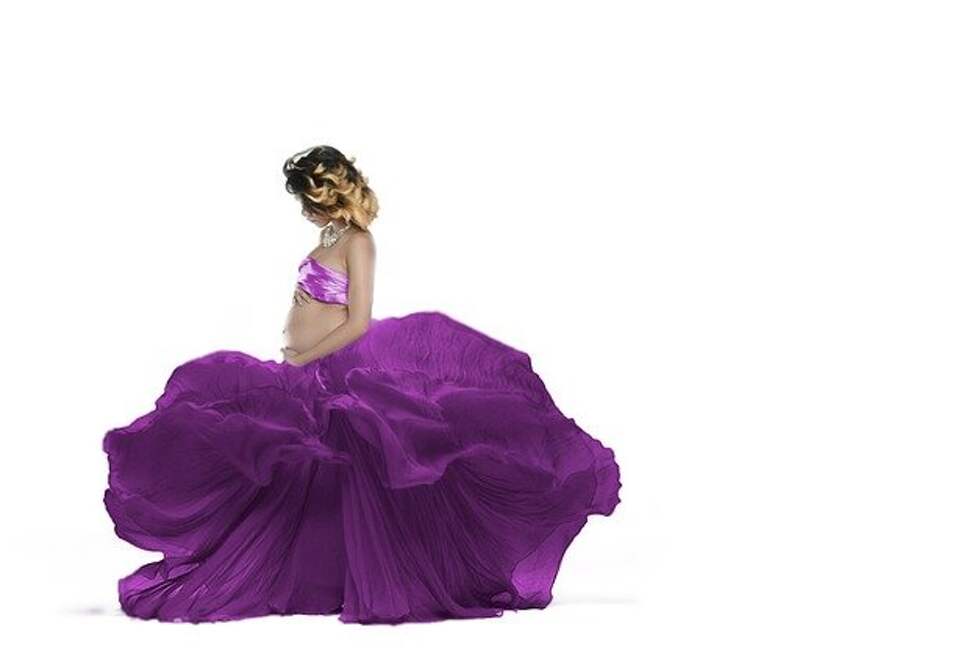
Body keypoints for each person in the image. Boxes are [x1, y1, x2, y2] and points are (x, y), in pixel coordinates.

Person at [102, 145, 622, 625]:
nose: (304, 209)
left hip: (330, 366)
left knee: (348, 472)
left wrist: (306, 355)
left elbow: (357, 322)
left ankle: (375, 578)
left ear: (327, 193)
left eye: (307, 198)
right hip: (306, 365)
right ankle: (316, 575)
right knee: (281, 461)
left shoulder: (358, 242)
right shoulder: (327, 238)